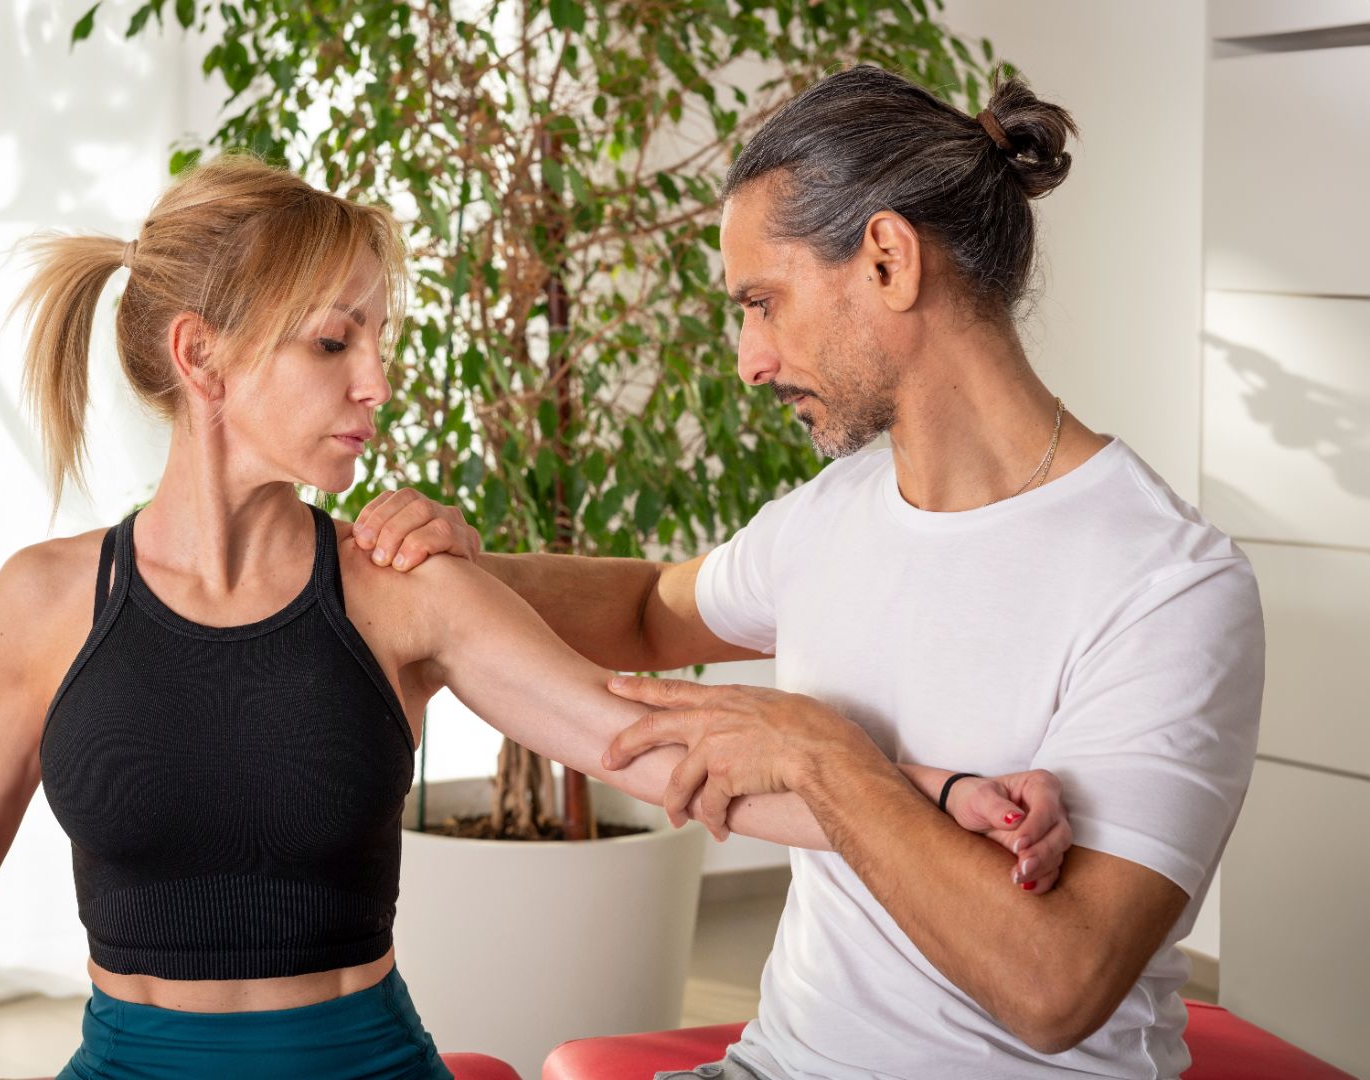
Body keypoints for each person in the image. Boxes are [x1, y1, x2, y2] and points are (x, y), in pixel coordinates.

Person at [0, 152, 1070, 1080]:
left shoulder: (402, 587)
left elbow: (644, 738)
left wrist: (934, 795)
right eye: (333, 343)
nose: (379, 380)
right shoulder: (47, 603)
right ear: (203, 360)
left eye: (381, 337)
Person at [354, 66, 1264, 1079]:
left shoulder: (1168, 585)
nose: (748, 359)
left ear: (886, 260)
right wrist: (448, 572)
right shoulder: (834, 517)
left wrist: (824, 757)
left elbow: (1058, 986)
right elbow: (653, 613)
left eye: (763, 302)